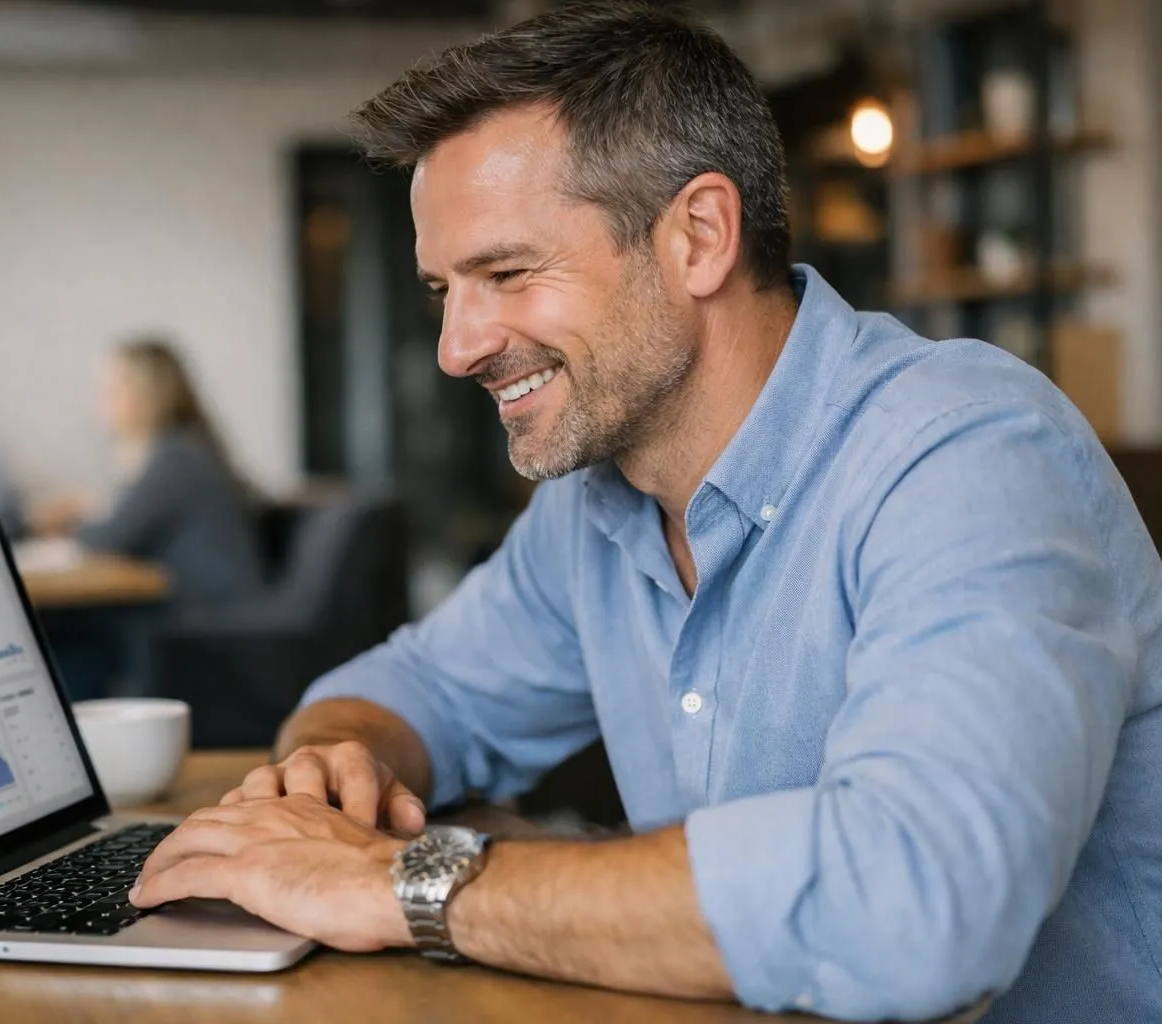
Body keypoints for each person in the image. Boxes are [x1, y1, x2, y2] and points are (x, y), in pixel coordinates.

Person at [126, 5, 1162, 1022]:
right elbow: (418, 685)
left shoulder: (967, 452)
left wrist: (407, 883)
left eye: (507, 273)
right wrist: (337, 761)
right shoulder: (598, 507)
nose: (456, 346)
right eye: (445, 289)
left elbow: (919, 904)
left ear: (699, 236)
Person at [33, 338, 263, 700]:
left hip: (202, 615)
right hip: (194, 606)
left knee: (67, 635)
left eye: (112, 389)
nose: (102, 402)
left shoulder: (175, 457)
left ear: (144, 395)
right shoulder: (183, 448)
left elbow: (107, 537)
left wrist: (81, 512)